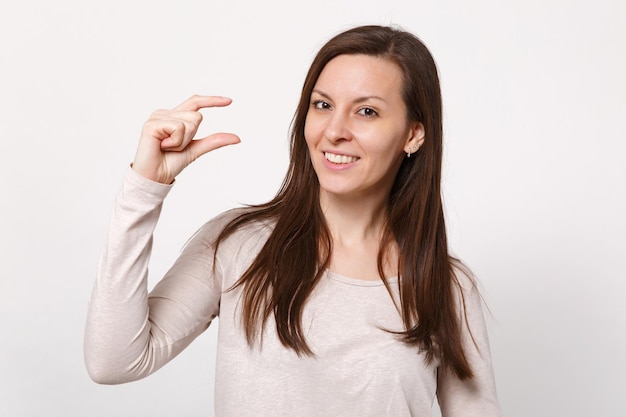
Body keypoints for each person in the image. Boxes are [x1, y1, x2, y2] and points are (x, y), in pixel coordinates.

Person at [84, 24, 501, 416]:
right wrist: (144, 187)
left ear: (413, 135)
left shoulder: (446, 287)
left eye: (367, 112)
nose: (334, 130)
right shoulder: (239, 244)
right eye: (323, 105)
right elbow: (113, 361)